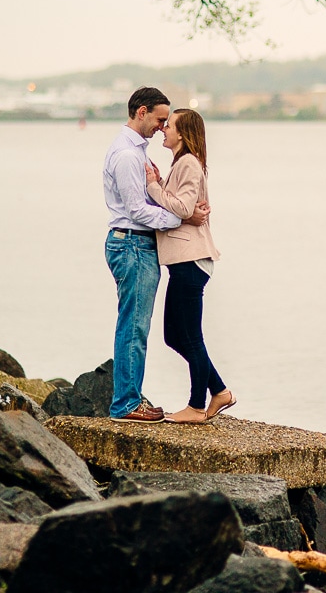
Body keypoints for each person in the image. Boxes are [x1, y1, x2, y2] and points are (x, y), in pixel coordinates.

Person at [103, 87, 208, 423]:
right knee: (133, 327)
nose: (163, 127)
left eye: (167, 123)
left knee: (136, 326)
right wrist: (181, 217)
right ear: (142, 111)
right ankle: (126, 404)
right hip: (132, 243)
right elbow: (136, 210)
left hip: (137, 244)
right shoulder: (128, 156)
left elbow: (149, 201)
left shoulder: (138, 152)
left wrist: (167, 199)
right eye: (161, 120)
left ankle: (130, 399)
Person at [145, 108, 237, 423]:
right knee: (174, 336)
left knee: (190, 337)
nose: (163, 129)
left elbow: (183, 207)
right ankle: (219, 390)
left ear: (182, 134)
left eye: (169, 125)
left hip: (190, 261)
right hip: (184, 262)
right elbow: (186, 208)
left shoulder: (188, 163)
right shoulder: (185, 163)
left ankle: (197, 406)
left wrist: (153, 186)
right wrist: (161, 185)